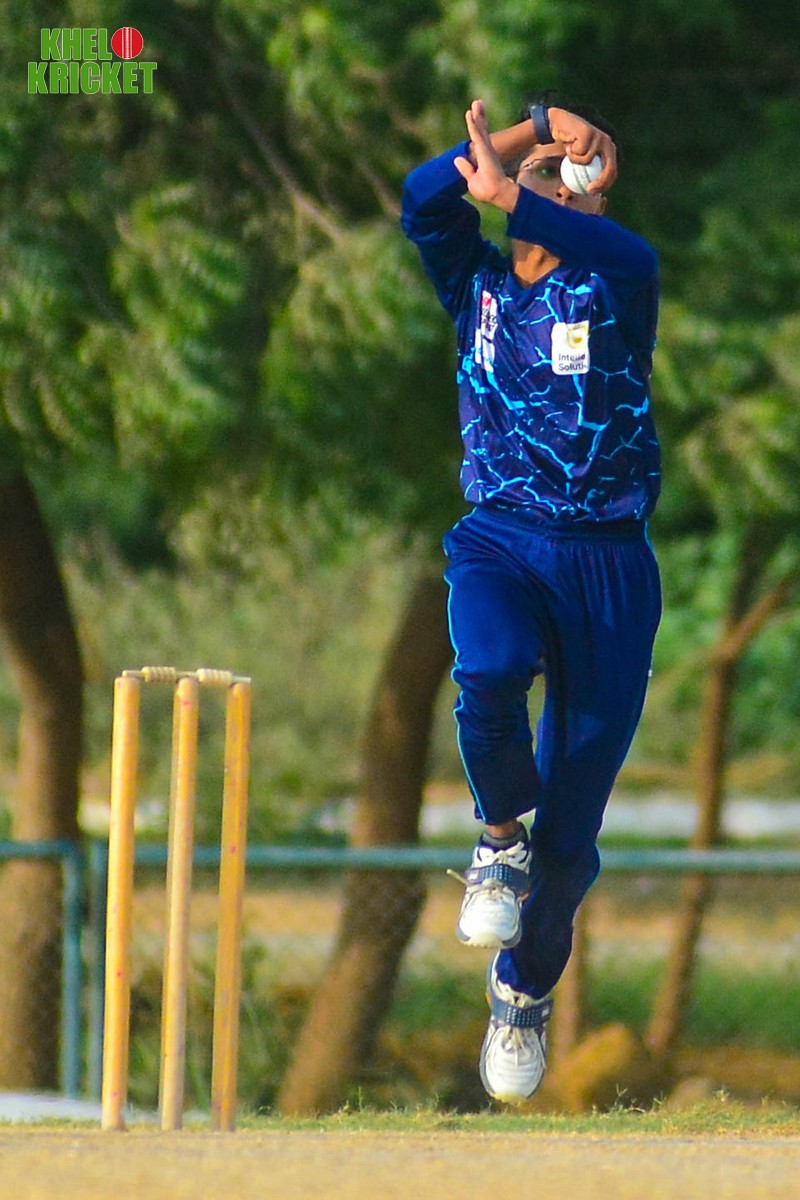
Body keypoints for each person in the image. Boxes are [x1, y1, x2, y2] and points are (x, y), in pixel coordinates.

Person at [401, 97, 662, 1104]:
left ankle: (521, 992)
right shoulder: (473, 285)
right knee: (489, 669)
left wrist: (523, 188)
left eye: (569, 179)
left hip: (607, 565)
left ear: (591, 200)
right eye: (539, 178)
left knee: (573, 838)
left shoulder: (613, 284)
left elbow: (626, 248)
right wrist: (524, 131)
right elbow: (422, 198)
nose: (550, 189)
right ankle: (495, 842)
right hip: (501, 539)